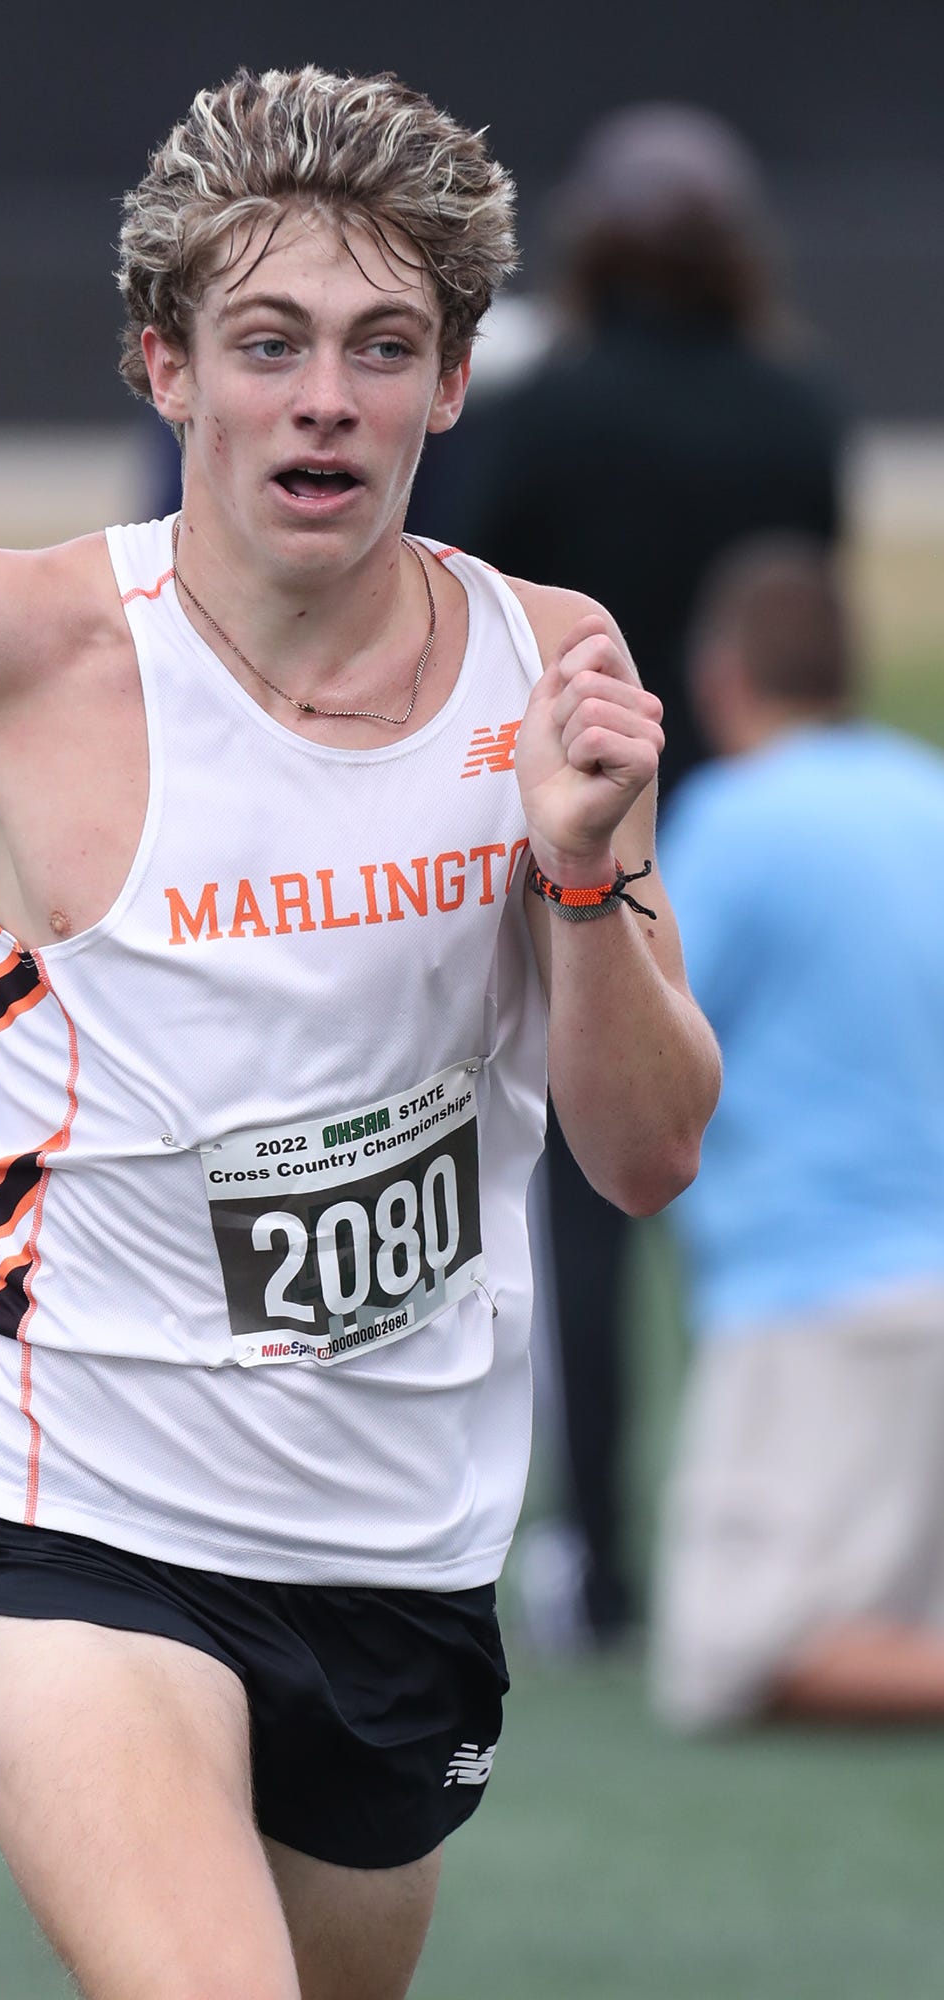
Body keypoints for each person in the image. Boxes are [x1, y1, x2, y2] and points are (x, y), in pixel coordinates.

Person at [0, 68, 719, 2000]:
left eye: (381, 348)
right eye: (267, 344)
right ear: (165, 369)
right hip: (67, 1488)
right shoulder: (20, 639)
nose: (324, 397)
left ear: (447, 388)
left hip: (396, 1543)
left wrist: (576, 876)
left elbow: (642, 1153)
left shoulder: (549, 668)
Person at [411, 105, 845, 1645]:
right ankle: (801, 1523)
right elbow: (810, 622)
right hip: (765, 833)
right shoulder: (796, 412)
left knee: (590, 1200)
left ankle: (596, 1556)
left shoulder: (546, 408)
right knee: (774, 1178)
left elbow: (452, 601)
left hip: (589, 838)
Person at [650, 537, 944, 1733]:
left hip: (813, 1297)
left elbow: (637, 1034)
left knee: (724, 1661)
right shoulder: (927, 794)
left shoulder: (728, 823)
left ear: (720, 677)